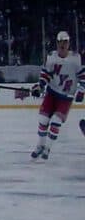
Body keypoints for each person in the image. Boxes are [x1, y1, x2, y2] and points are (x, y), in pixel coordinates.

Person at [34, 30, 80, 161]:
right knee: (43, 120)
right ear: (57, 43)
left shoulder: (75, 59)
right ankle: (40, 145)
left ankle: (47, 148)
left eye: (65, 42)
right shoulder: (51, 57)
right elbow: (46, 74)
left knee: (55, 121)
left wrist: (81, 89)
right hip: (52, 93)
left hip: (66, 97)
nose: (63, 45)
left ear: (69, 43)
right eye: (60, 42)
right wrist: (40, 85)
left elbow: (82, 76)